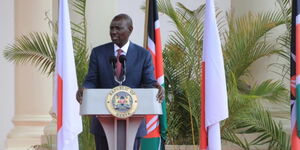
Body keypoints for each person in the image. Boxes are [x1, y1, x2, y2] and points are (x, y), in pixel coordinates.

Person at [76, 13, 165, 150]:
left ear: (130, 29)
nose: (113, 32)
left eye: (118, 28)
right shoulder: (98, 53)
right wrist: (85, 89)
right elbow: (91, 81)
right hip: (103, 125)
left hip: (133, 123)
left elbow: (148, 82)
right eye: (111, 28)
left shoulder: (143, 55)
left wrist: (156, 87)